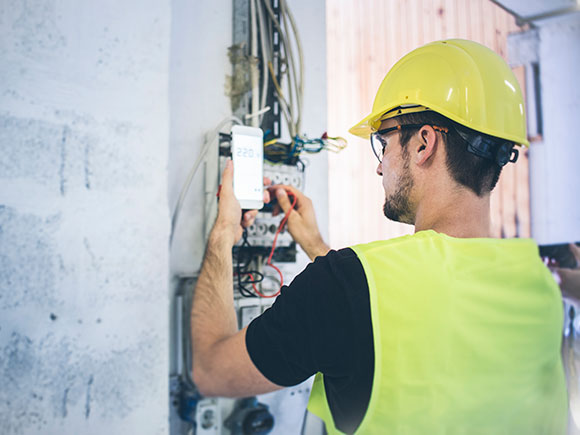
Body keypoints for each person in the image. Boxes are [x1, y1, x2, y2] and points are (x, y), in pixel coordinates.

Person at [191, 39, 567, 434]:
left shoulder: (344, 286)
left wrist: (222, 233)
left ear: (424, 143)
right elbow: (418, 318)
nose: (379, 167)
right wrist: (318, 248)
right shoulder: (540, 285)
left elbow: (211, 370)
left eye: (383, 142)